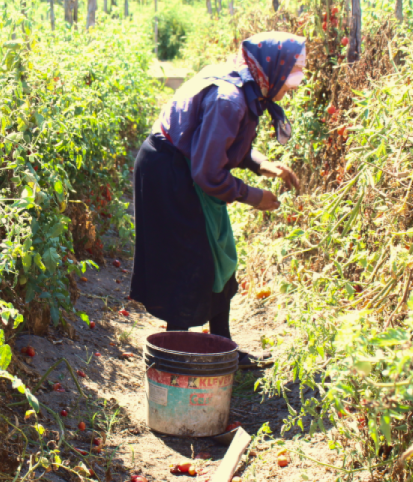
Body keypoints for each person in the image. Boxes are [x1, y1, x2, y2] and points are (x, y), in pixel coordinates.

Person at [130, 31, 305, 369]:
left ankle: (222, 347)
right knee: (190, 259)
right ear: (272, 70)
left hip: (186, 164)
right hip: (169, 170)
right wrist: (254, 197)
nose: (292, 87)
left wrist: (260, 164)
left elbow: (217, 144)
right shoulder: (230, 99)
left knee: (218, 255)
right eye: (290, 78)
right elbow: (208, 172)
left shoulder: (247, 85)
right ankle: (175, 357)